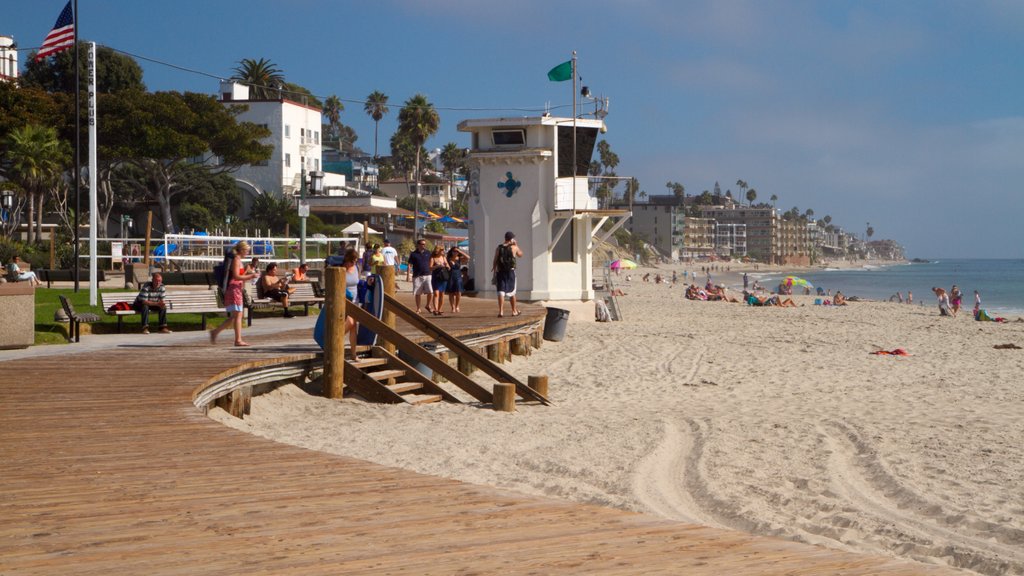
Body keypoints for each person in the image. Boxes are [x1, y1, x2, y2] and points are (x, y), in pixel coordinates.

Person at [210, 241, 258, 346]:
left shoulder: (238, 260)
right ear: (241, 250)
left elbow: (238, 275)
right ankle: (238, 340)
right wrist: (251, 276)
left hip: (236, 288)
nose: (247, 253)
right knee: (237, 315)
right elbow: (236, 276)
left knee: (234, 316)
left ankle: (216, 332)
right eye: (247, 251)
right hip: (233, 289)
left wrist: (246, 271)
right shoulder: (236, 259)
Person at [492, 230, 523, 317]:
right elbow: (520, 254)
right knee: (512, 292)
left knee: (501, 292)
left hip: (500, 272)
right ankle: (514, 311)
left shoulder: (499, 247)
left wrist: (494, 269)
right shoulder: (514, 247)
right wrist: (516, 245)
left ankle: (501, 311)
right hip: (510, 272)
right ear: (511, 239)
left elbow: (495, 259)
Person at [339, 248, 361, 358]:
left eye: (356, 261)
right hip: (345, 300)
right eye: (352, 261)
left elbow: (358, 282)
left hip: (355, 300)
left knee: (353, 327)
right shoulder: (341, 269)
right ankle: (335, 339)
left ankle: (353, 353)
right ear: (347, 259)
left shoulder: (356, 268)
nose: (354, 263)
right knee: (350, 323)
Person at [407, 239, 433, 313]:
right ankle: (418, 308)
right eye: (422, 244)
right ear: (418, 245)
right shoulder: (413, 254)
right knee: (418, 293)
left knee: (430, 292)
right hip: (417, 275)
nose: (423, 245)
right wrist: (408, 275)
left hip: (427, 274)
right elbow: (409, 265)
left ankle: (428, 305)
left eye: (424, 244)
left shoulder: (428, 253)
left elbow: (432, 262)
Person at [428, 245, 451, 316]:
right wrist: (437, 266)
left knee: (442, 294)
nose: (443, 251)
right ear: (438, 250)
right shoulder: (433, 258)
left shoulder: (444, 258)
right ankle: (436, 309)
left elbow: (449, 267)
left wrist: (446, 266)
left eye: (443, 250)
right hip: (436, 277)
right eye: (442, 250)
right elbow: (430, 268)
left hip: (443, 277)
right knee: (436, 293)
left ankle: (440, 308)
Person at [446, 245, 469, 313]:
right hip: (450, 276)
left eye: (456, 251)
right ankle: (452, 307)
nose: (455, 252)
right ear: (451, 252)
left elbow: (468, 257)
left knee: (458, 292)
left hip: (458, 275)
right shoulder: (448, 258)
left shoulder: (459, 258)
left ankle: (457, 306)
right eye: (454, 251)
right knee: (451, 293)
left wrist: (460, 251)